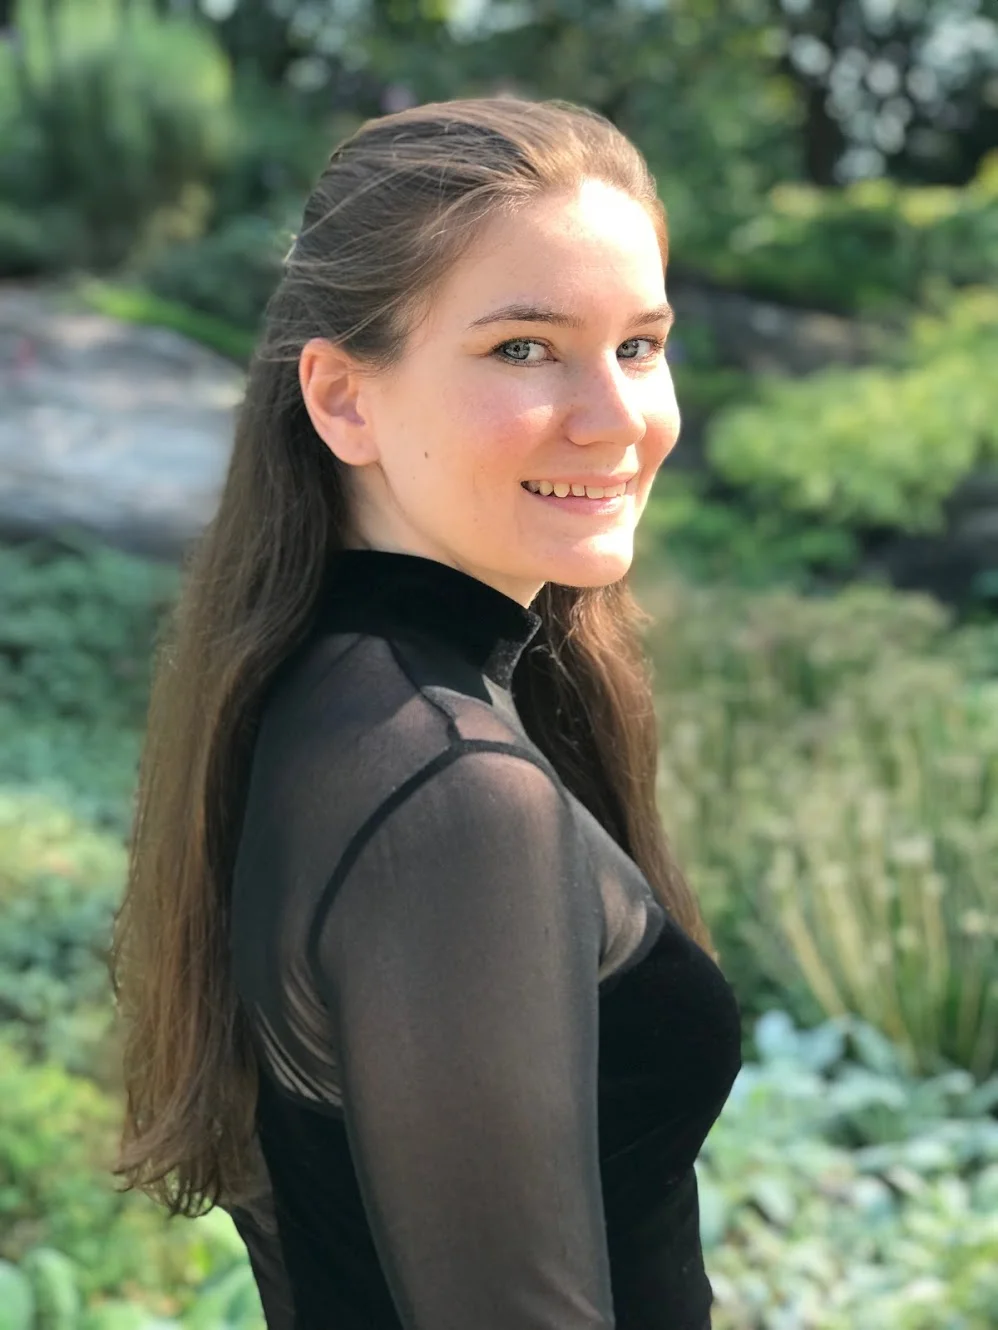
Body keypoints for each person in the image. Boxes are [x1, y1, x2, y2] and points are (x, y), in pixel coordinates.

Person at [109, 95, 744, 1330]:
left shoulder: (334, 697)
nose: (616, 418)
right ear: (344, 399)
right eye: (524, 348)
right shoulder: (452, 797)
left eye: (638, 345)